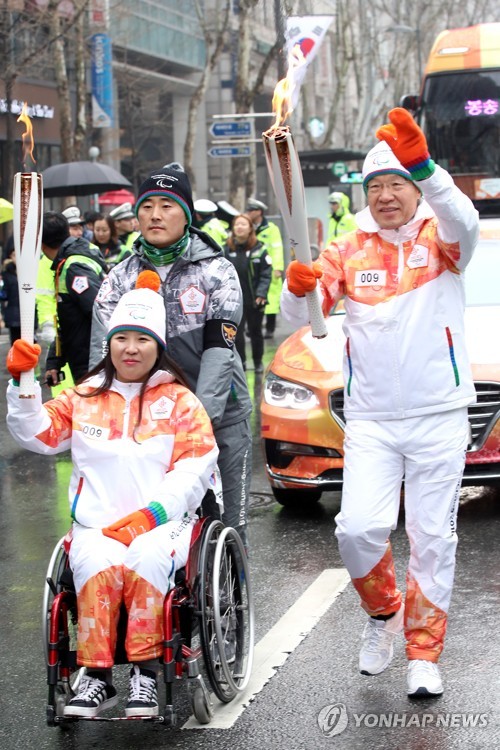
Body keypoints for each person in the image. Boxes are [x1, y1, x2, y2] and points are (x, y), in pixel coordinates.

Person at [282, 108, 479, 698]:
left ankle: (424, 652)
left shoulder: (439, 241)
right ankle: (382, 613)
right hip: (370, 420)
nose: (387, 195)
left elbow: (464, 222)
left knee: (432, 538)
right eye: (375, 186)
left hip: (439, 415)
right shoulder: (348, 248)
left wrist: (428, 166)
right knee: (357, 530)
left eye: (397, 183)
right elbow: (306, 322)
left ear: (416, 187)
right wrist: (298, 290)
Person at [6, 270, 219, 718]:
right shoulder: (83, 396)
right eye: (121, 338)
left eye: (142, 340)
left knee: (146, 557)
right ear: (110, 343)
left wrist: (152, 515)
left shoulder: (180, 402)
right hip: (97, 523)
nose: (130, 348)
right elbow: (36, 435)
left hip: (163, 524)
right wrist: (22, 387)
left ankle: (144, 671)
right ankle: (98, 678)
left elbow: (196, 465)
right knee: (95, 560)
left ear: (158, 347)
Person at [90, 164, 253, 548]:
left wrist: (199, 419)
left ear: (187, 215)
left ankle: (232, 596)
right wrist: (93, 412)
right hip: (147, 422)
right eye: (147, 206)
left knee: (230, 525)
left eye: (167, 205)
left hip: (219, 415)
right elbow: (102, 350)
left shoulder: (217, 271)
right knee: (156, 526)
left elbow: (219, 351)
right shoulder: (120, 277)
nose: (155, 215)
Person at [42, 211, 108, 384]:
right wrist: (54, 361)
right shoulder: (68, 261)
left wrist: (98, 364)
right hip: (85, 360)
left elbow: (100, 313)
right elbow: (68, 319)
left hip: (92, 364)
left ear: (40, 243)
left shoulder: (74, 268)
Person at [223, 213, 272, 373]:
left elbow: (266, 273)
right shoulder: (226, 249)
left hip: (255, 300)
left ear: (250, 228)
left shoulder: (260, 249)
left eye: (243, 224)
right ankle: (241, 363)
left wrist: (261, 294)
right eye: (237, 224)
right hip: (234, 300)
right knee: (236, 334)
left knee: (256, 332)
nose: (239, 227)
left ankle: (258, 362)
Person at [245, 198, 284, 340]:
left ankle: (270, 328)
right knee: (252, 297)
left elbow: (277, 248)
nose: (248, 213)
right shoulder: (248, 227)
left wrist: (278, 268)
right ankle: (253, 327)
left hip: (270, 268)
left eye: (251, 210)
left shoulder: (272, 229)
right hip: (253, 268)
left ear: (259, 212)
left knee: (272, 300)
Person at [1, 249, 20, 344]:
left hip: (29, 311)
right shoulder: (7, 274)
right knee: (15, 341)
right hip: (13, 312)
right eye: (14, 255)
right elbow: (4, 294)